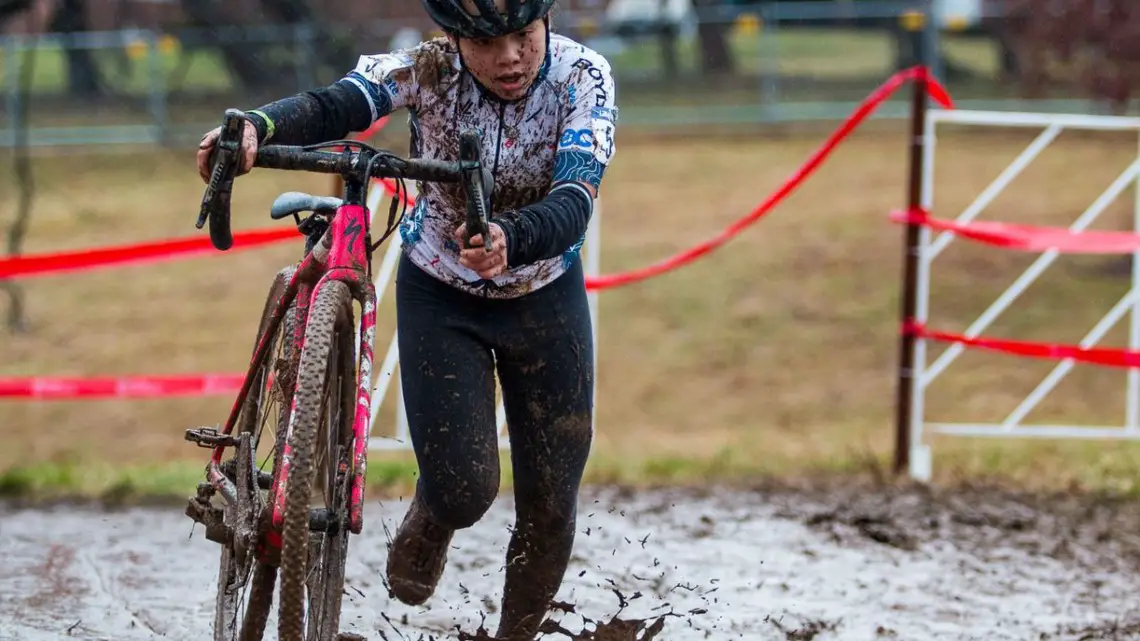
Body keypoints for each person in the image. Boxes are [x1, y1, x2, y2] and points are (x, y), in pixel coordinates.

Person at [195, 0, 617, 638]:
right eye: (487, 42)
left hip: (543, 290)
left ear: (546, 24)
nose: (509, 58)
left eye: (524, 37)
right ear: (454, 38)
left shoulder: (582, 78)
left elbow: (574, 200)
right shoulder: (428, 68)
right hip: (442, 288)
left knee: (552, 505)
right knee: (464, 489)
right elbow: (340, 102)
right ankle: (434, 515)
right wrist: (259, 125)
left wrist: (510, 236)